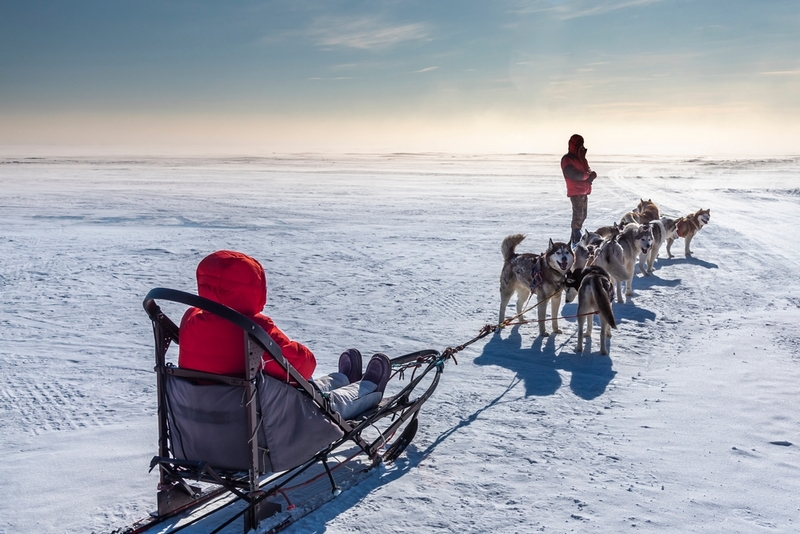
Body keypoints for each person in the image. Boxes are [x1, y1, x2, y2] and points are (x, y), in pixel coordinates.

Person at [178, 249, 390, 420]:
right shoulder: (253, 328)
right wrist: (300, 351)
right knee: (324, 401)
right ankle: (369, 389)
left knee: (302, 386)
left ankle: (343, 379)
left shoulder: (191, 320)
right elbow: (302, 368)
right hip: (260, 425)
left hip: (201, 422)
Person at [561, 134, 598, 246]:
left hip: (583, 190)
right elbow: (573, 174)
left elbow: (587, 171)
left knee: (583, 215)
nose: (581, 146)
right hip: (576, 191)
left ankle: (574, 241)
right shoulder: (567, 159)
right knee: (578, 217)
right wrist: (587, 176)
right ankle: (575, 242)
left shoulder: (581, 159)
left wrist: (592, 175)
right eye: (579, 144)